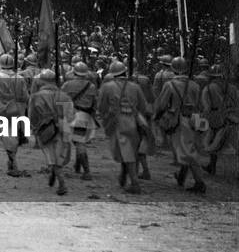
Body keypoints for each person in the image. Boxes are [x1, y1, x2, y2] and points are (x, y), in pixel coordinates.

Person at [154, 57, 207, 193]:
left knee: (187, 152)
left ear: (173, 68)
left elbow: (161, 104)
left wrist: (157, 116)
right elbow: (201, 105)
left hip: (179, 120)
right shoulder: (194, 85)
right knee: (185, 149)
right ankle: (182, 176)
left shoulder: (170, 85)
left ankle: (200, 182)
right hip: (195, 120)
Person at [96, 60, 148, 194]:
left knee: (127, 152)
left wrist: (105, 118)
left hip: (118, 121)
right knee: (130, 150)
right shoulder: (135, 86)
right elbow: (143, 106)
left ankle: (135, 183)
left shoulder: (107, 87)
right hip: (134, 120)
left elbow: (101, 106)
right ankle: (125, 173)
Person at [0, 54, 30, 177]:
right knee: (13, 136)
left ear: (0, 64)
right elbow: (26, 97)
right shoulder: (20, 78)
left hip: (2, 110)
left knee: (7, 136)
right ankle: (12, 160)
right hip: (18, 111)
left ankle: (12, 162)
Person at [28, 69, 73, 196]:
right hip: (63, 127)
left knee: (50, 155)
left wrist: (35, 128)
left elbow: (32, 115)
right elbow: (69, 114)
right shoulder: (63, 95)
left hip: (45, 127)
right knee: (59, 155)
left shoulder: (36, 96)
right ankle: (55, 173)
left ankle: (62, 183)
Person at [61, 61, 98, 180]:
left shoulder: (67, 85)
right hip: (84, 116)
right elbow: (94, 104)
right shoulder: (91, 87)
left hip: (70, 115)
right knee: (79, 141)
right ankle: (78, 167)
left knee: (75, 143)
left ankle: (87, 171)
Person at [200, 65, 238, 176]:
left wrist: (202, 119)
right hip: (232, 118)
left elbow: (206, 108)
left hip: (216, 119)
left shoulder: (208, 88)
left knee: (211, 141)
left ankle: (212, 166)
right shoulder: (233, 88)